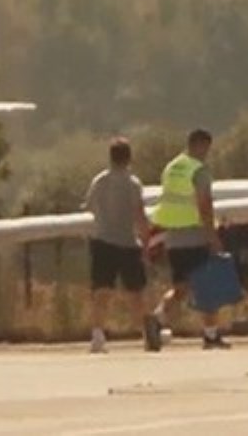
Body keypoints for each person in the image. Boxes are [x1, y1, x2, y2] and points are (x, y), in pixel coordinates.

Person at [150, 128, 229, 349]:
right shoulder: (199, 170)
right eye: (206, 148)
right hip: (194, 235)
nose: (207, 153)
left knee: (180, 287)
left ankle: (157, 319)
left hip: (173, 236)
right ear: (200, 145)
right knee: (206, 286)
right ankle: (211, 335)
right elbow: (204, 205)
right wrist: (212, 236)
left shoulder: (172, 167)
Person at [83, 137, 161, 353]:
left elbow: (89, 206)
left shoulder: (99, 181)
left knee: (101, 291)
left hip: (102, 241)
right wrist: (146, 242)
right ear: (129, 158)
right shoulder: (133, 183)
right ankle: (147, 333)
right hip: (126, 242)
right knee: (136, 292)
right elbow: (139, 215)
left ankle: (98, 335)